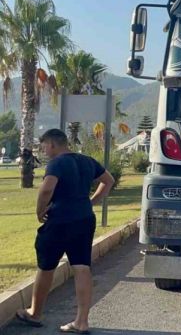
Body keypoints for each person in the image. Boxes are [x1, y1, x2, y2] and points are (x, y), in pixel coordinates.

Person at [15, 129, 115, 334]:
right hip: (84, 219)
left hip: (60, 221)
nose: (43, 151)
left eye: (44, 147)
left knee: (46, 266)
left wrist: (40, 211)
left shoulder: (57, 163)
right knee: (81, 266)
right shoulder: (87, 161)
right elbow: (108, 181)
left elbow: (46, 189)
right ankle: (81, 321)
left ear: (52, 144)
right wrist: (91, 202)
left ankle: (35, 313)